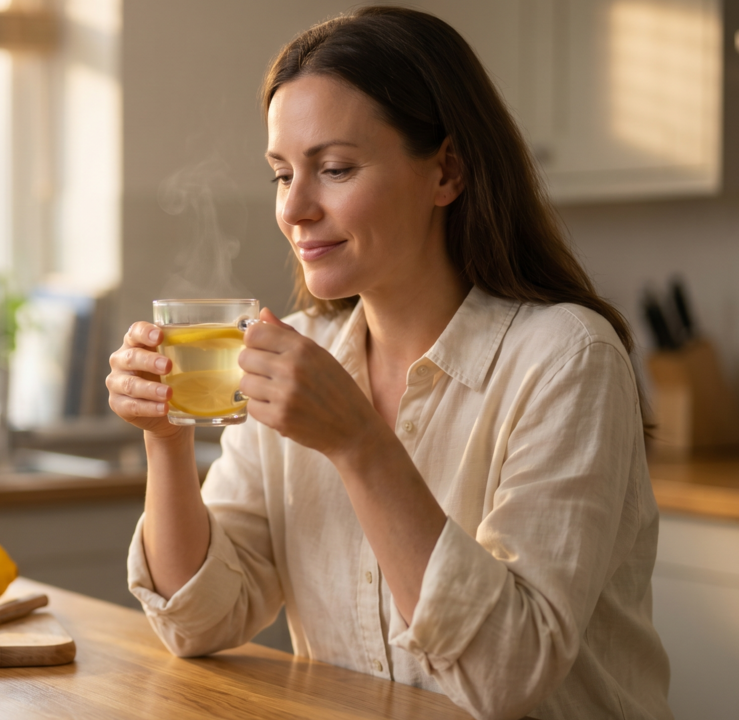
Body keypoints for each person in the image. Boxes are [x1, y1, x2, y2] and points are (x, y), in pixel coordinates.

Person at [105, 7, 672, 720]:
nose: (295, 209)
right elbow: (200, 620)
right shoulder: (297, 355)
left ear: (448, 172)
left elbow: (509, 674)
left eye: (335, 169)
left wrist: (358, 442)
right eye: (283, 174)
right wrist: (167, 436)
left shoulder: (566, 359)